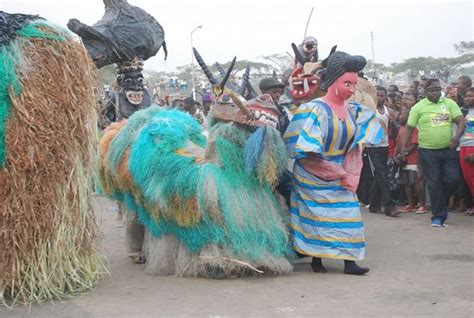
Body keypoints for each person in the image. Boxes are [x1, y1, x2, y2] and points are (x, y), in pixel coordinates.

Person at [284, 51, 383, 275]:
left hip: (341, 172)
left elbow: (355, 146)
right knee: (316, 217)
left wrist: (347, 170)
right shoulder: (313, 109)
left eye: (354, 84)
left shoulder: (354, 112)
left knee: (348, 214)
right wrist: (326, 166)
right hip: (313, 171)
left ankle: (350, 262)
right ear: (332, 82)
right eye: (347, 83)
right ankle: (317, 259)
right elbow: (301, 146)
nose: (351, 89)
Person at [402, 78, 465, 227]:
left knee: (453, 180)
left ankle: (441, 204)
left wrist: (456, 137)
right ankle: (438, 216)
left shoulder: (449, 103)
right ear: (425, 91)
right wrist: (404, 147)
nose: (435, 92)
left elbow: (461, 121)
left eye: (437, 89)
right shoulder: (418, 107)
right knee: (434, 183)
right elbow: (409, 128)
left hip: (448, 150)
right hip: (428, 152)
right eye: (432, 90)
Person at [366, 86, 398, 216]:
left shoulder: (388, 111)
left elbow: (394, 130)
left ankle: (374, 205)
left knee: (380, 176)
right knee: (382, 175)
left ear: (386, 97)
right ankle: (389, 206)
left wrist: (393, 124)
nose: (379, 98)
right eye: (377, 95)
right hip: (372, 145)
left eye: (382, 95)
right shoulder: (369, 110)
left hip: (384, 145)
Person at [394, 108, 427, 213]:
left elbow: (414, 144)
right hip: (402, 159)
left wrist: (404, 153)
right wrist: (396, 155)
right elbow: (398, 143)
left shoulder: (413, 129)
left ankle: (422, 205)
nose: (400, 116)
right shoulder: (401, 128)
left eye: (403, 115)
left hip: (412, 159)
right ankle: (410, 204)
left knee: (415, 181)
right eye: (400, 115)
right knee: (406, 183)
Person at [459, 88, 474, 215]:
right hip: (463, 146)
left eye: (472, 96)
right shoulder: (462, 111)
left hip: (472, 147)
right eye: (467, 96)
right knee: (467, 178)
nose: (469, 98)